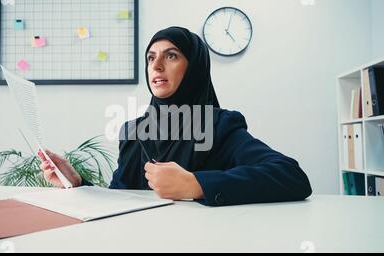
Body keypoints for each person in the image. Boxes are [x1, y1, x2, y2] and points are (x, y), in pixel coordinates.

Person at [38, 26, 312, 207]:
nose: (156, 65)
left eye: (171, 56)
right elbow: (117, 198)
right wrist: (77, 184)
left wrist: (197, 184)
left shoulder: (219, 125)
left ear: (194, 68)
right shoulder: (133, 131)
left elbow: (292, 176)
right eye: (150, 58)